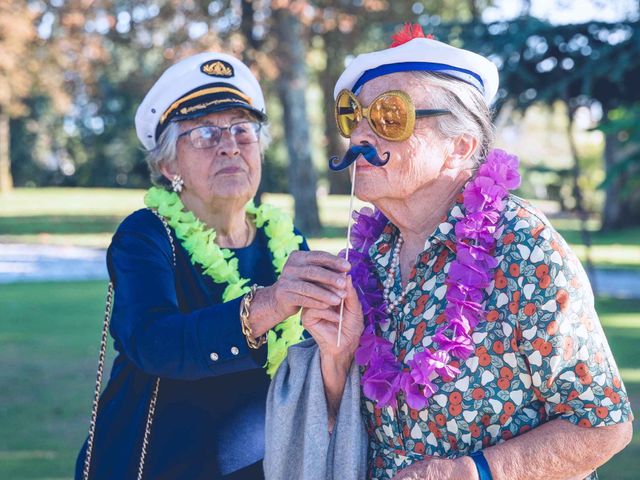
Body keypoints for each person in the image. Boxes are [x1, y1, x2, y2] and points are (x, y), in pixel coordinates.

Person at [265, 25, 633, 480]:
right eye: (353, 116)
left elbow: (603, 423)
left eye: (389, 116)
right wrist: (337, 360)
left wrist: (472, 472)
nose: (360, 133)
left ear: (460, 147)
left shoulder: (522, 247)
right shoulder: (370, 255)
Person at [75, 52, 350, 479]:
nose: (230, 145)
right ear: (168, 165)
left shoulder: (286, 240)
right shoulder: (145, 235)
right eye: (205, 133)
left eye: (243, 130)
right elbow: (153, 342)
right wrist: (268, 305)